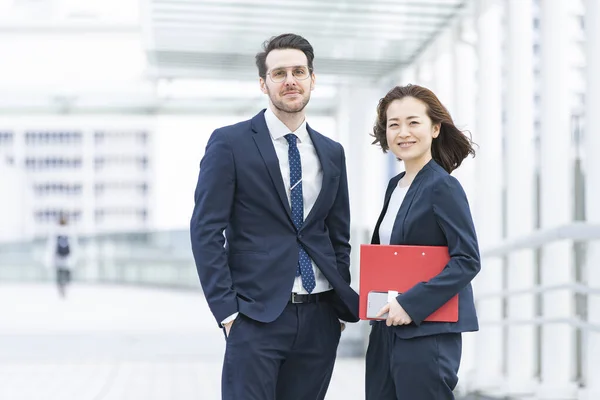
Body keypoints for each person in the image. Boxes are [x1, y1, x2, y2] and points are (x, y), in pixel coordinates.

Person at [190, 33, 359, 400]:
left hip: (320, 318)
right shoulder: (229, 143)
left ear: (313, 79)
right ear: (263, 84)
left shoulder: (332, 153)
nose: (290, 80)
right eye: (279, 73)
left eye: (299, 71)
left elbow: (337, 234)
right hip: (255, 317)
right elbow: (205, 230)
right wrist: (228, 313)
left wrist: (337, 307)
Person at [365, 84, 480, 400]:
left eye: (413, 122)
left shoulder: (443, 187)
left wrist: (410, 303)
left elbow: (467, 260)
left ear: (435, 128)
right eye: (394, 124)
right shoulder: (395, 186)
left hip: (427, 333)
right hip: (386, 327)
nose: (403, 132)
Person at [45, 213, 77, 298]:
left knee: (60, 274)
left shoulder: (57, 232)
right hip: (65, 258)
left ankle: (62, 288)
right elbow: (74, 246)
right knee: (65, 274)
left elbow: (51, 246)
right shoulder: (68, 232)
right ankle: (63, 288)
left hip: (59, 258)